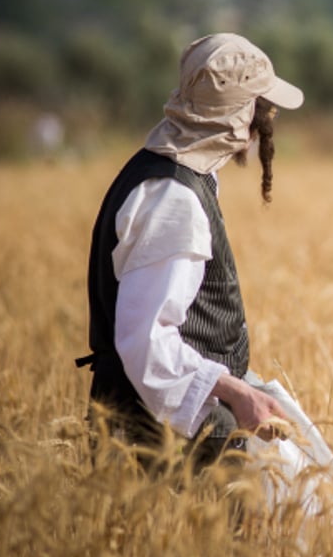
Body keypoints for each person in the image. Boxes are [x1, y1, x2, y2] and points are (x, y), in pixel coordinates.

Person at [78, 32, 306, 471]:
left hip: (172, 427)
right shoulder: (172, 198)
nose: (266, 123)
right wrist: (238, 394)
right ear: (241, 120)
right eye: (263, 109)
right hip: (161, 441)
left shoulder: (167, 173)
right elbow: (147, 342)